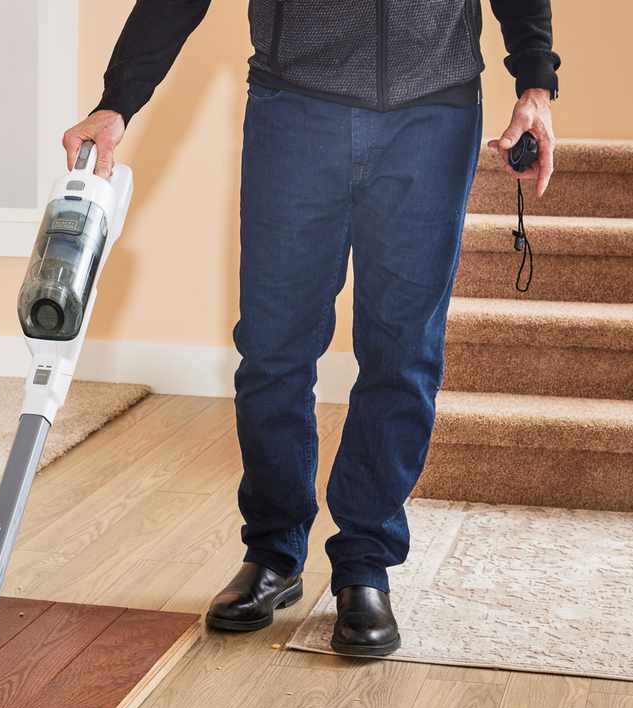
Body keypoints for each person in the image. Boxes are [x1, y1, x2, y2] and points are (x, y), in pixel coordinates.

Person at [64, 0, 559, 656]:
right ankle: (273, 552)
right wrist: (116, 100)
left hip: (432, 118)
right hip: (295, 110)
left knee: (402, 350)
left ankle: (364, 565)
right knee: (272, 348)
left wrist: (535, 86)